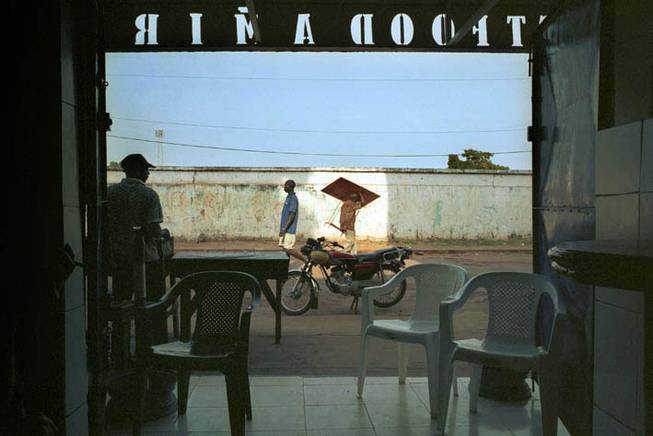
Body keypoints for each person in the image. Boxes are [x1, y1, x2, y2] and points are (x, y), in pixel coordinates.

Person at [106, 153, 167, 358]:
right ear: (138, 170)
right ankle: (152, 350)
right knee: (152, 305)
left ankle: (119, 352)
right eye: (146, 169)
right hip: (145, 259)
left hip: (119, 258)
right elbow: (152, 230)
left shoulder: (110, 192)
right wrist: (161, 235)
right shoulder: (149, 195)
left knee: (121, 305)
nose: (148, 173)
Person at [278, 179, 305, 261]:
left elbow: (292, 214)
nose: (284, 187)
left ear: (290, 187)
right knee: (285, 249)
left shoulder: (293, 198)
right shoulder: (288, 197)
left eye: (285, 185)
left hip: (289, 229)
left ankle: (305, 260)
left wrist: (284, 228)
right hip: (285, 229)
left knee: (288, 248)